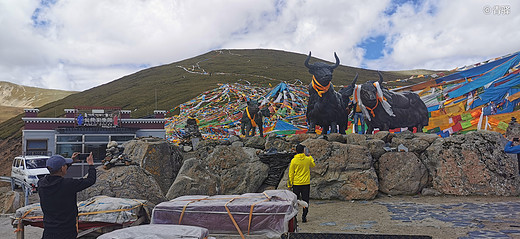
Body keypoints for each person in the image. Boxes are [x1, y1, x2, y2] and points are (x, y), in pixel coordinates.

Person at [38, 152, 96, 239]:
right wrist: (91, 165)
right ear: (62, 168)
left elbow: (58, 173)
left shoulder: (41, 183)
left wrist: (70, 162)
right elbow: (90, 180)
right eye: (65, 165)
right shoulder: (68, 184)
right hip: (66, 232)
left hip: (49, 231)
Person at [287, 144, 315, 223]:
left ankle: (295, 217)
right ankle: (304, 217)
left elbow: (291, 174)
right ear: (303, 151)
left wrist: (289, 185)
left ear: (296, 151)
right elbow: (313, 165)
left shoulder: (294, 160)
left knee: (295, 201)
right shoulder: (307, 159)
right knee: (305, 201)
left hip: (296, 184)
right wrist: (310, 156)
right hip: (306, 183)